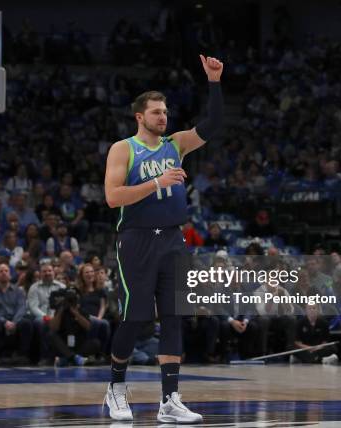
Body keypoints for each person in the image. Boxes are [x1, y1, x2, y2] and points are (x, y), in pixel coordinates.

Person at [102, 54, 224, 423]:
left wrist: (214, 81)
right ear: (140, 117)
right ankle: (116, 388)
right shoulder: (124, 148)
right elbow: (112, 197)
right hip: (137, 238)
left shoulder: (176, 143)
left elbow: (213, 124)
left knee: (173, 316)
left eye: (165, 111)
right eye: (156, 112)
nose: (163, 117)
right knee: (136, 317)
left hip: (172, 238)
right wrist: (156, 182)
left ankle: (170, 400)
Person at [0, 263, 33, 367]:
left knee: (26, 323)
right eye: (1, 271)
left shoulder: (18, 290)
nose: (4, 273)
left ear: (10, 275)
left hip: (13, 320)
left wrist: (14, 322)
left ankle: (22, 355)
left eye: (6, 271)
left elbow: (21, 308)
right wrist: (4, 322)